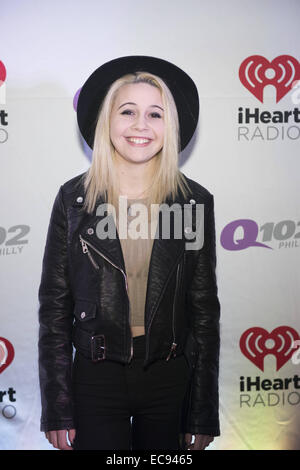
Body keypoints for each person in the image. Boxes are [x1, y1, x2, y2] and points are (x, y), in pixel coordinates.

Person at [38, 55, 221, 451]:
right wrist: (58, 405)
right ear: (108, 121)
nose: (141, 125)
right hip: (95, 378)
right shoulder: (74, 201)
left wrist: (202, 409)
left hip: (170, 378)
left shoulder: (192, 203)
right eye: (128, 111)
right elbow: (54, 308)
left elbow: (204, 311)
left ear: (169, 126)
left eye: (155, 114)